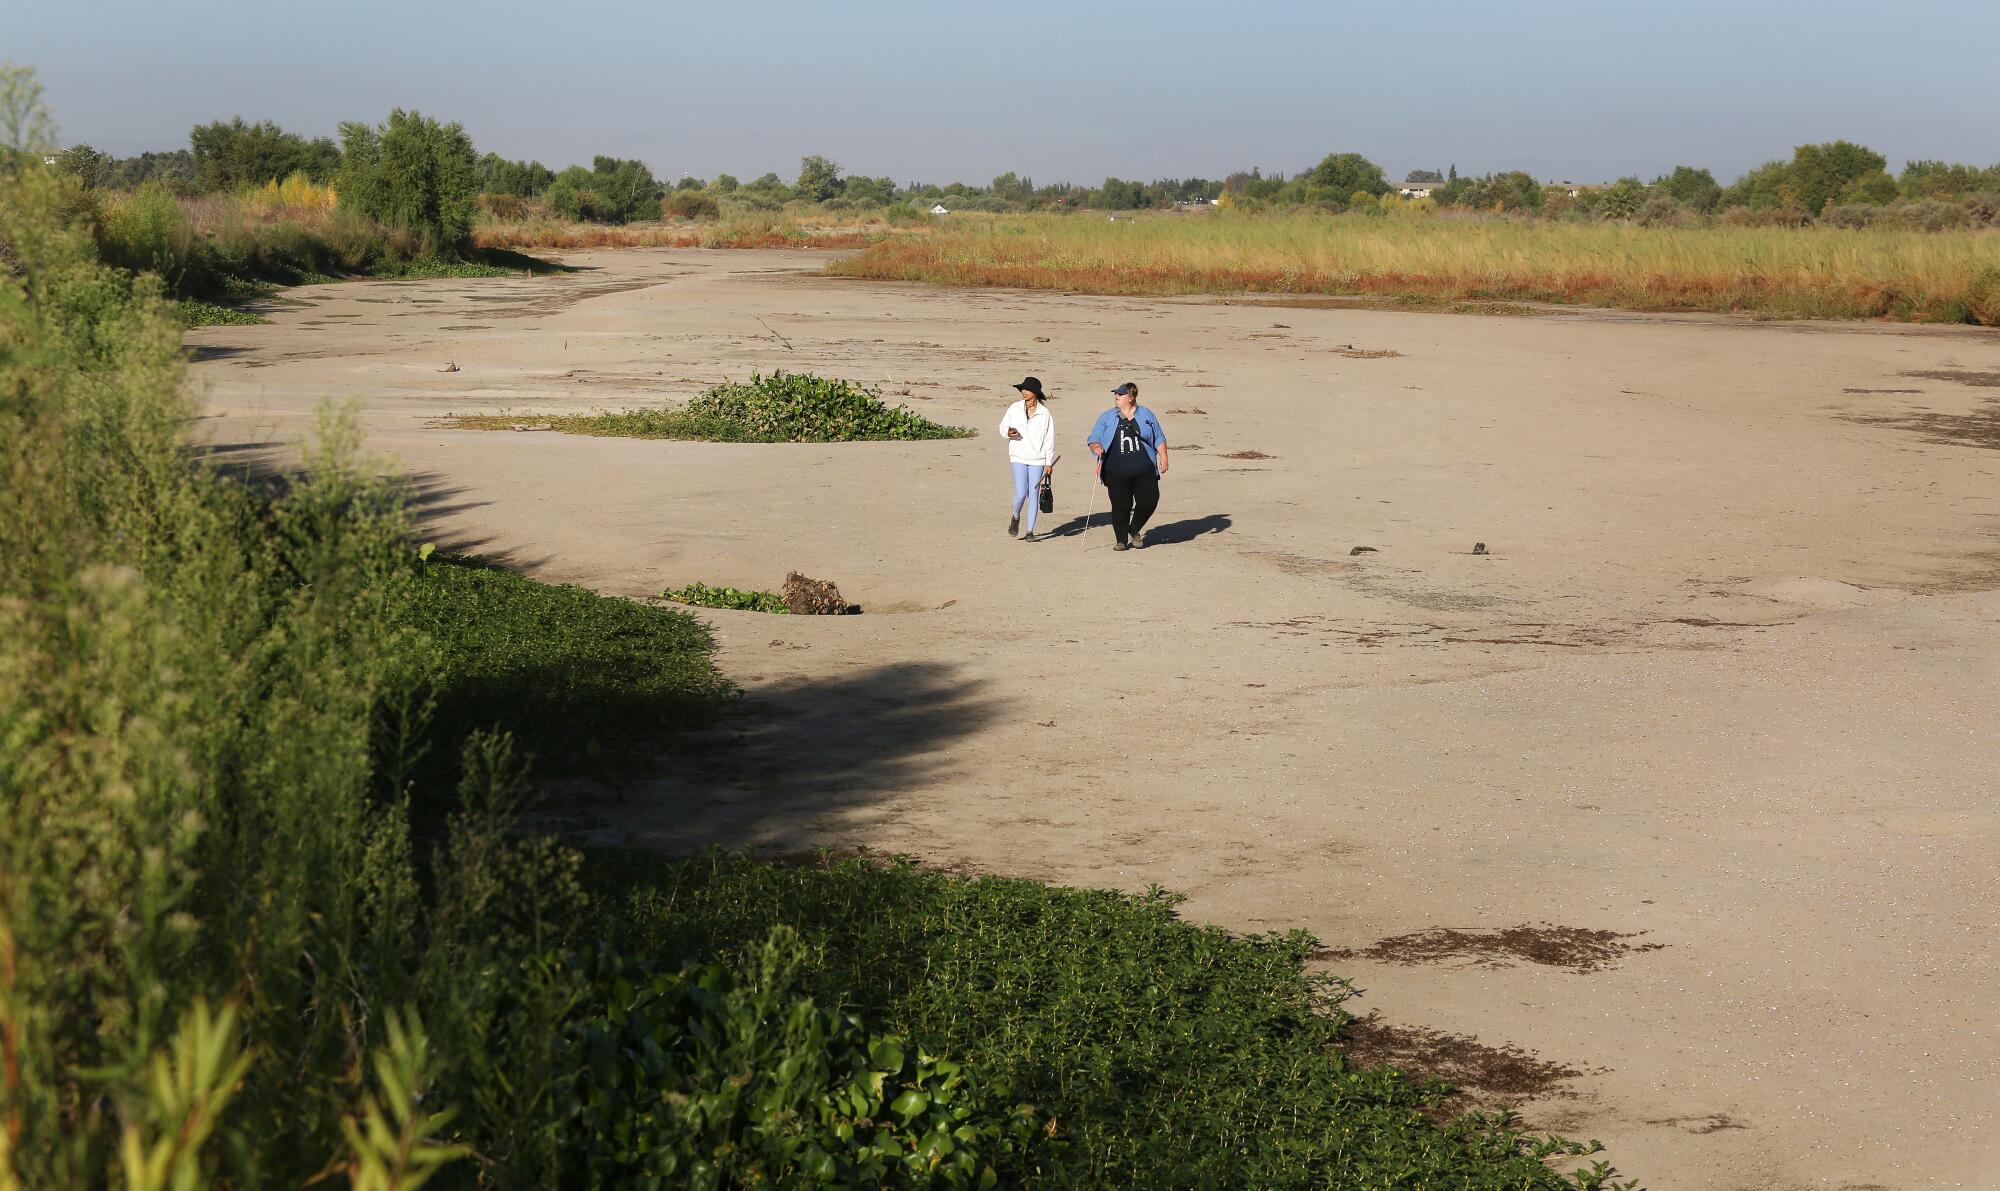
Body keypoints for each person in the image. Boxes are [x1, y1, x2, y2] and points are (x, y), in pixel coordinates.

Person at [1086, 381, 1168, 551]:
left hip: (1144, 469)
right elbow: (1093, 438)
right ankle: (1121, 540)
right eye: (1116, 393)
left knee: (1149, 500)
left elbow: (1158, 437)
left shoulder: (1146, 414)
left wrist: (1164, 458)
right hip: (1115, 470)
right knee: (1120, 505)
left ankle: (1134, 528)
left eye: (1121, 394)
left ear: (1131, 397)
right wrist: (1097, 447)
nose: (1116, 396)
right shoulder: (1107, 416)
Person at [997, 376, 1057, 541]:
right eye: (1022, 389)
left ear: (1035, 393)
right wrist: (1008, 433)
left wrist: (1048, 462)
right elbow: (1002, 427)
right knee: (1021, 493)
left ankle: (1030, 531)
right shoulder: (1014, 408)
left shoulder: (1045, 414)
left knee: (1034, 494)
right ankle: (1015, 517)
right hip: (1017, 456)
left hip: (1037, 459)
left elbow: (1049, 439)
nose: (1023, 391)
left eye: (1027, 389)